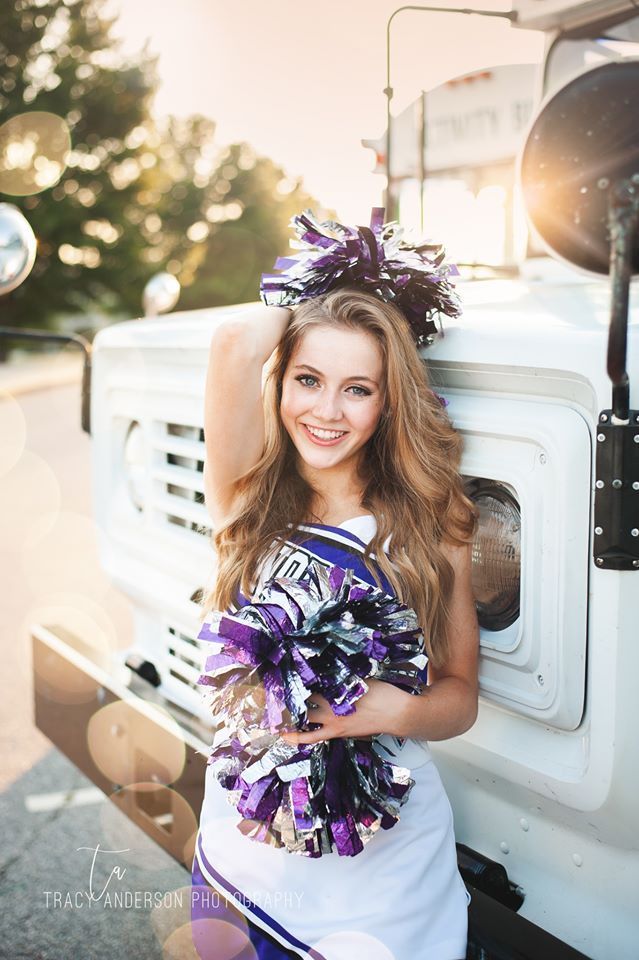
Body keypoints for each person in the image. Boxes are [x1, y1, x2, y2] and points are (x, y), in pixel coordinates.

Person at [191, 214, 479, 960]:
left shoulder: (431, 521)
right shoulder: (247, 497)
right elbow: (233, 344)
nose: (325, 411)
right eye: (307, 379)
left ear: (388, 404)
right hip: (250, 843)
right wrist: (337, 283)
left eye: (358, 389)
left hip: (386, 854)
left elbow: (459, 697)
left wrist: (391, 710)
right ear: (280, 380)